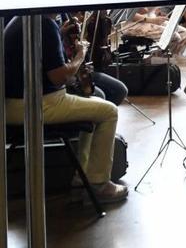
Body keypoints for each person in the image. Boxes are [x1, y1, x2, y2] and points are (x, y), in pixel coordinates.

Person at [4, 15, 128, 203]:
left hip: (14, 104)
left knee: (96, 105)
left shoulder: (26, 19)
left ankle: (84, 176)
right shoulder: (45, 25)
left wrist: (60, 33)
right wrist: (80, 54)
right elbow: (59, 77)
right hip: (36, 104)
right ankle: (99, 185)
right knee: (109, 111)